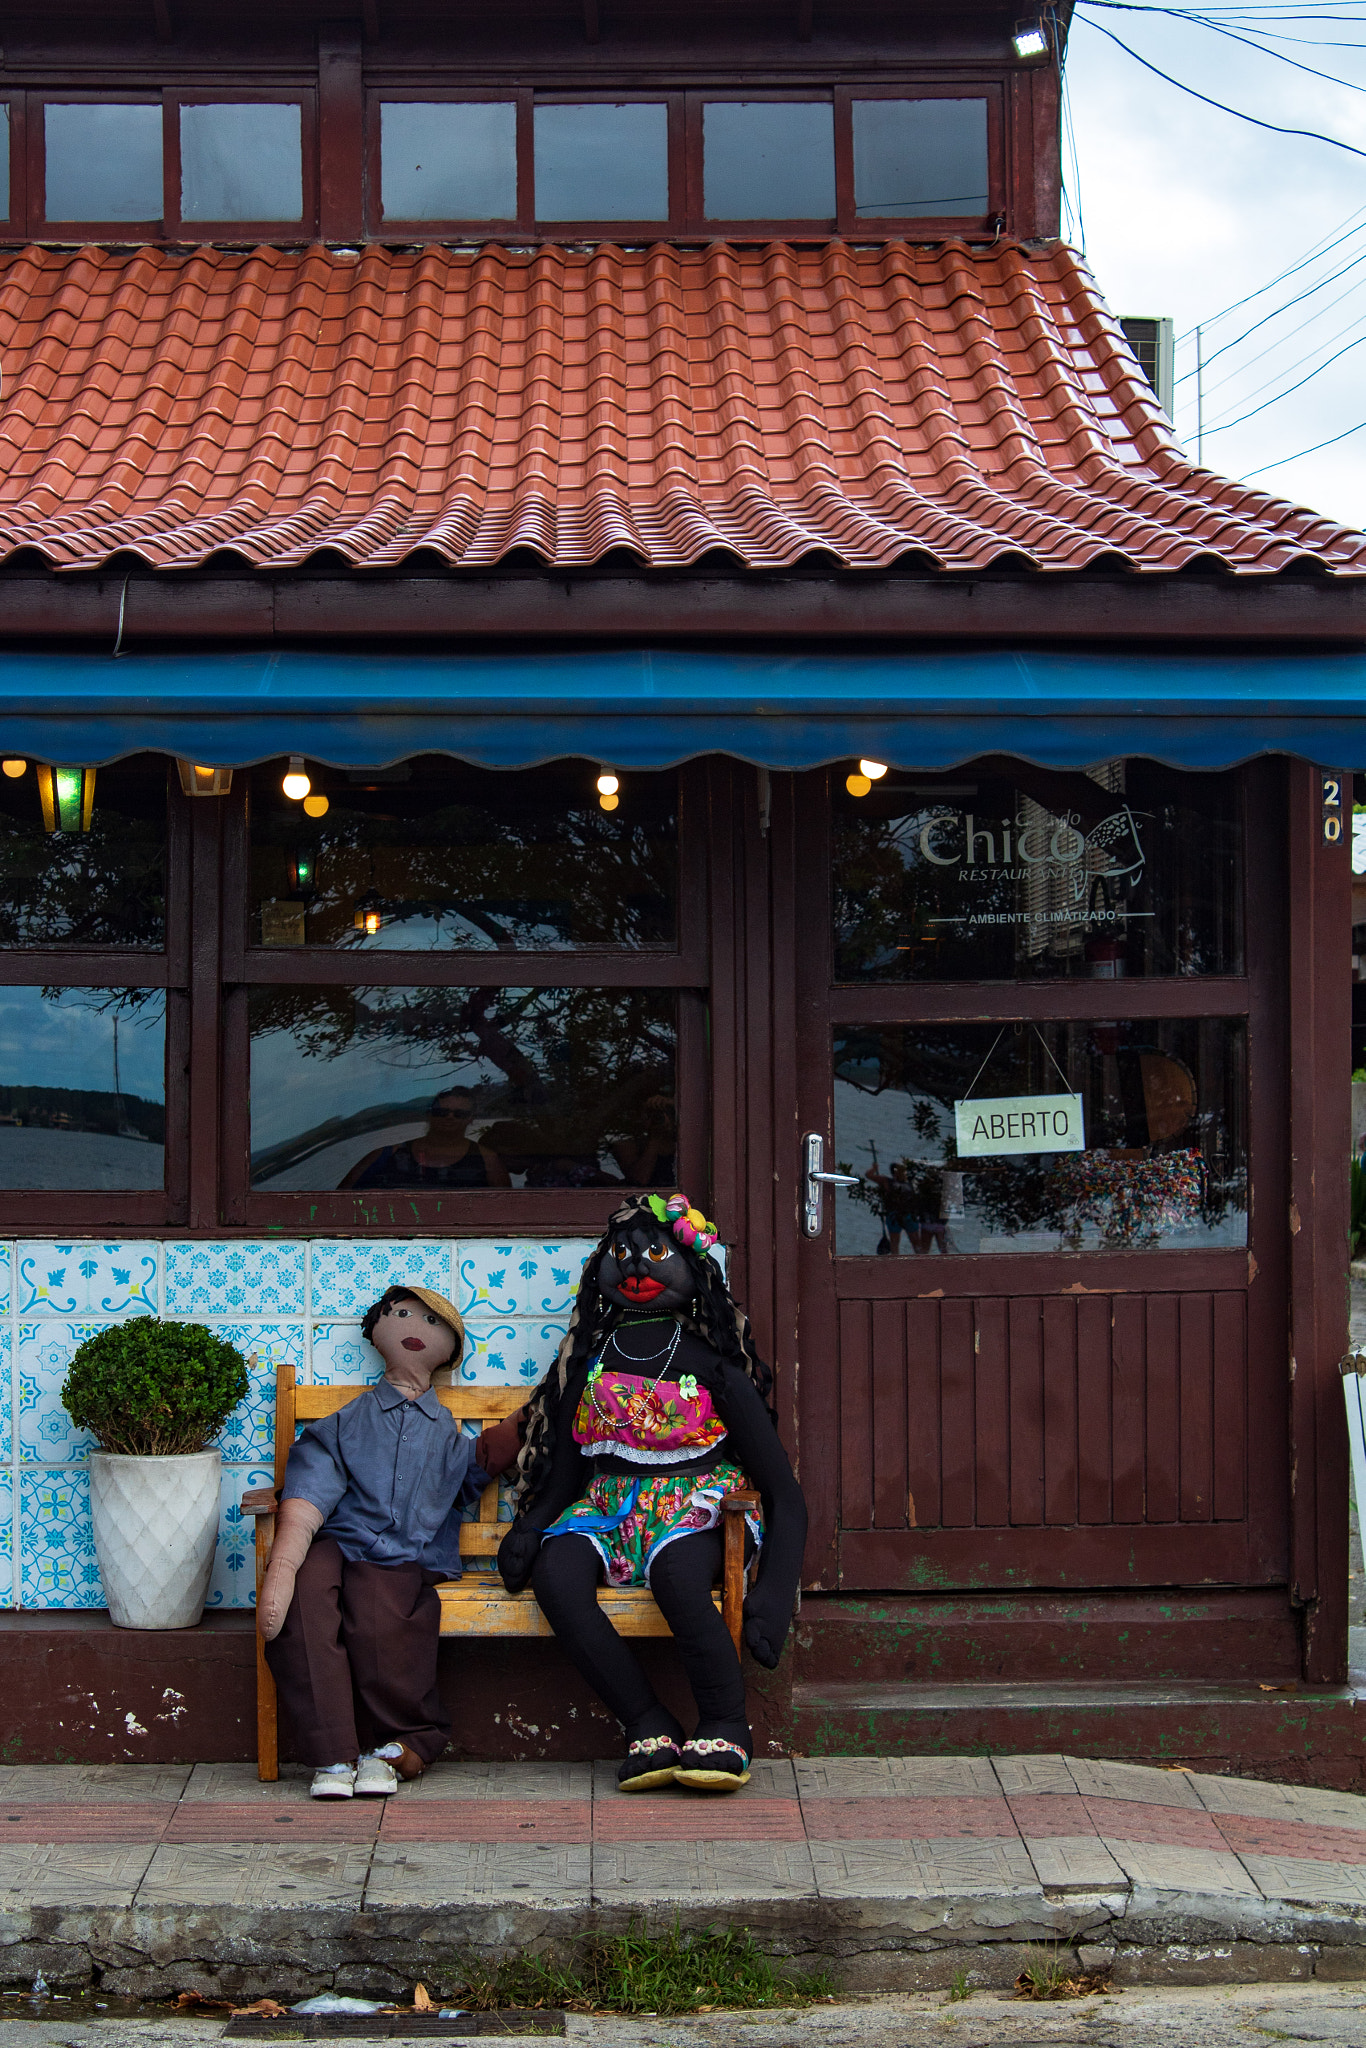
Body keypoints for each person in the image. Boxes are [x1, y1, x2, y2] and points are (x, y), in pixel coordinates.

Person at [497, 1192, 807, 1794]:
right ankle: (647, 1722)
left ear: (694, 1267)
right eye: (623, 1254)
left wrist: (772, 1592)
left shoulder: (715, 1366)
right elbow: (565, 1469)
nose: (637, 1267)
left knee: (677, 1581)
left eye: (657, 1253)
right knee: (556, 1578)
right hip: (607, 1507)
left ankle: (725, 1724)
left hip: (690, 1506)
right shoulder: (586, 1365)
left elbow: (782, 1490)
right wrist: (531, 1527)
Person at [256, 1286, 484, 1799]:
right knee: (303, 1605)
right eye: (401, 1314)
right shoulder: (352, 1417)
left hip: (403, 1553)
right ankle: (332, 1753)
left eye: (429, 1320)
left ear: (448, 1347)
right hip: (336, 1539)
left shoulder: (445, 1429)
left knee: (383, 1612)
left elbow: (469, 1475)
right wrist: (287, 1560)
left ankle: (392, 1743)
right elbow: (317, 1473)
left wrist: (519, 1433)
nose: (413, 1325)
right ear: (377, 1330)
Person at [342, 1086, 511, 1190]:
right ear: (429, 1115)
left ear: (470, 1118)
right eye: (442, 1112)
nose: (449, 1117)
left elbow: (506, 1213)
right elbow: (337, 1204)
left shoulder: (488, 1161)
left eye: (459, 1114)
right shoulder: (385, 1156)